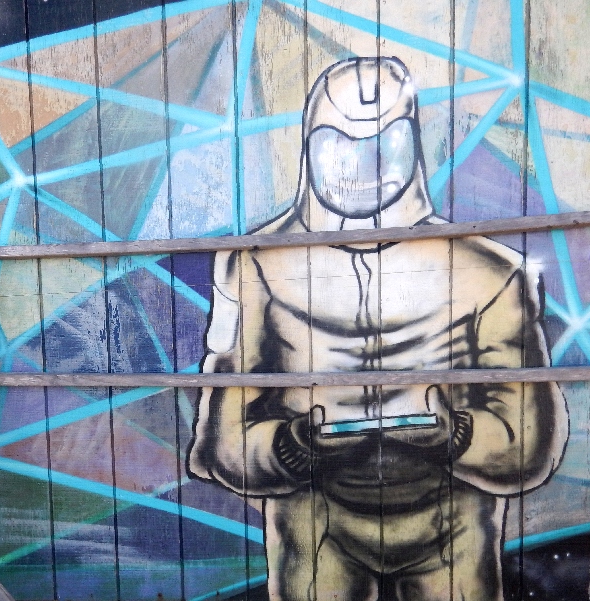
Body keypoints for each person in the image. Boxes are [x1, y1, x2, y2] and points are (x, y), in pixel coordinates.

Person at [187, 57, 568, 601]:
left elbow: (528, 442)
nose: (361, 167)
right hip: (315, 518)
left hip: (452, 518)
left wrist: (456, 436)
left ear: (412, 144)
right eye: (339, 145)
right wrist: (293, 448)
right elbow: (224, 440)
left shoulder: (493, 274)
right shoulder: (253, 269)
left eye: (383, 144)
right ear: (310, 148)